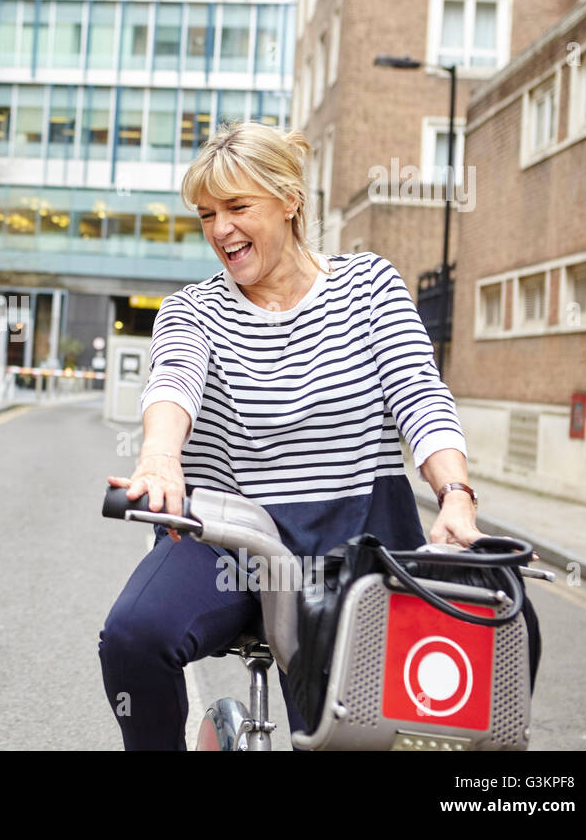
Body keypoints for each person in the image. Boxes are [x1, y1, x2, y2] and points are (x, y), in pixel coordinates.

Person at [98, 122, 482, 750]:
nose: (220, 229)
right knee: (135, 635)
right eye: (207, 214)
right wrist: (160, 457)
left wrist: (456, 495)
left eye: (238, 207)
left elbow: (420, 395)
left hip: (354, 545)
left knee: (346, 738)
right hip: (232, 542)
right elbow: (173, 379)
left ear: (290, 201)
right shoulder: (194, 310)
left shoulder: (369, 288)